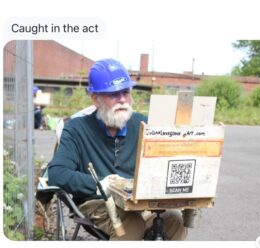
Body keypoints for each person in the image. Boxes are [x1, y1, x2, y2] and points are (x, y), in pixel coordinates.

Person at [48, 58, 187, 240]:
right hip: (96, 202)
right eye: (113, 94)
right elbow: (57, 173)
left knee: (174, 219)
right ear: (95, 98)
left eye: (126, 92)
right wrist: (100, 185)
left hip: (138, 205)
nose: (122, 100)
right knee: (130, 223)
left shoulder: (144, 125)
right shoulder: (76, 129)